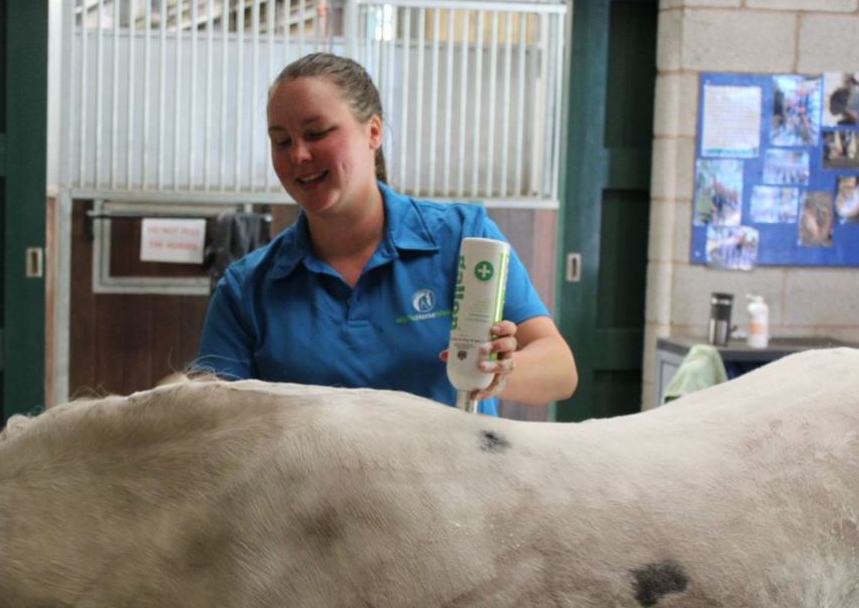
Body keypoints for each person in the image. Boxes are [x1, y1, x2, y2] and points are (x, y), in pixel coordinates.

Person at [192, 53, 576, 414]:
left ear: (373, 131)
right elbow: (215, 421)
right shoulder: (248, 290)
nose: (298, 156)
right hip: (314, 487)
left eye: (317, 132)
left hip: (452, 483)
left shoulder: (460, 240)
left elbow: (560, 369)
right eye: (282, 141)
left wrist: (501, 371)